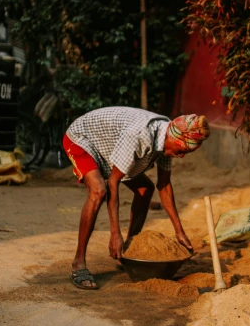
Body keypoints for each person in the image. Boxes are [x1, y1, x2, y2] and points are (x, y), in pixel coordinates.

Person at [62, 106, 210, 289]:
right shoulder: (140, 136)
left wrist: (179, 231)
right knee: (99, 190)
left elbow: (164, 185)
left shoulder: (168, 137)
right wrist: (115, 234)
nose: (180, 156)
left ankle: (129, 251)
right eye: (181, 150)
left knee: (145, 188)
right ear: (173, 137)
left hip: (109, 146)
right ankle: (78, 263)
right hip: (82, 139)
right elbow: (113, 183)